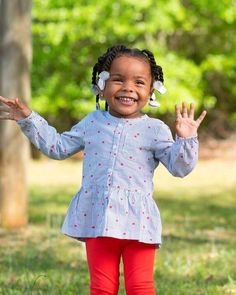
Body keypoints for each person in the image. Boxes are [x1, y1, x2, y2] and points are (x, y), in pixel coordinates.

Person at [0, 45, 206, 295]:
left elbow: (180, 168)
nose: (128, 87)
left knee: (140, 287)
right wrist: (29, 118)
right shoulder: (92, 123)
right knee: (102, 287)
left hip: (139, 221)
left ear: (151, 91)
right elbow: (57, 147)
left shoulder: (156, 129)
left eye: (139, 82)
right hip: (97, 217)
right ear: (101, 85)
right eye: (118, 79)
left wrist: (186, 139)